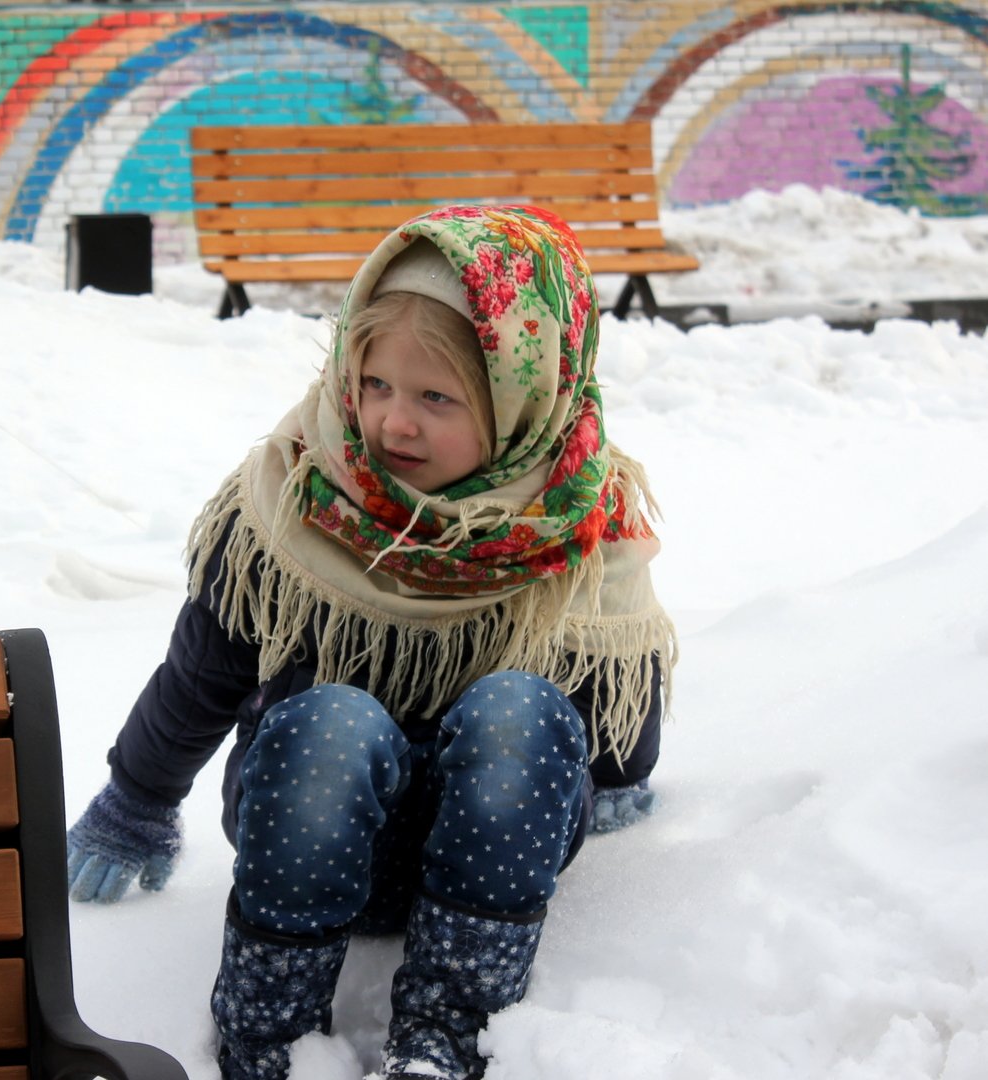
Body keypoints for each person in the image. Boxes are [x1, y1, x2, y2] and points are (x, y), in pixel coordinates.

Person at [65, 204, 676, 1080]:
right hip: (303, 828)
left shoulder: (574, 522)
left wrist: (619, 773)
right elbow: (205, 670)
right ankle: (267, 1035)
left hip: (492, 857)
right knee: (331, 721)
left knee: (525, 711)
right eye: (376, 385)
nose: (395, 423)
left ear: (523, 399)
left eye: (437, 398)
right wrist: (137, 796)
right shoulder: (300, 495)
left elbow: (619, 676)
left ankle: (446, 1031)